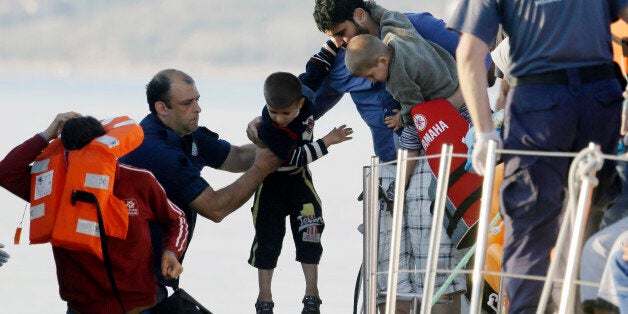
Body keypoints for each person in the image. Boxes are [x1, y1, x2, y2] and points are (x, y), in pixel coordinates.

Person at [299, 1, 478, 313]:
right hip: (388, 171)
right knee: (387, 277)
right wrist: (266, 125)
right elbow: (303, 111)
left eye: (341, 33)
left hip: (435, 163)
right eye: (334, 37)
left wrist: (439, 111)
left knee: (438, 273)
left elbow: (481, 64)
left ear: (359, 14)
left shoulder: (414, 27)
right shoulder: (345, 58)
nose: (339, 42)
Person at [449, 1, 628, 312]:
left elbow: (468, 54)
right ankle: (574, 305)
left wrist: (484, 131)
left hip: (541, 106)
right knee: (588, 212)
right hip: (601, 101)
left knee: (530, 222)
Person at [0, 112, 189, 313]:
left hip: (140, 308)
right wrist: (46, 134)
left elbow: (177, 219)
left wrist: (171, 251)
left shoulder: (139, 180)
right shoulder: (52, 187)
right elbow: (6, 172)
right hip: (81, 309)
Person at [119, 69, 282, 301]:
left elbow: (236, 157)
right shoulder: (156, 150)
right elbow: (215, 208)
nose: (197, 108)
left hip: (152, 277)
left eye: (197, 100)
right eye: (187, 103)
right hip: (127, 284)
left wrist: (279, 140)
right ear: (162, 108)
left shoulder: (185, 132)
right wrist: (262, 168)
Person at [248, 72, 353, 314]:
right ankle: (264, 299)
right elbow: (295, 157)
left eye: (285, 113)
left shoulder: (306, 103)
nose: (279, 118)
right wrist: (327, 141)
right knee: (267, 241)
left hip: (300, 183)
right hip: (271, 184)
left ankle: (312, 295)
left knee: (310, 233)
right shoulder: (268, 128)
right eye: (274, 112)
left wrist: (334, 45)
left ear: (300, 103)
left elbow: (315, 70)